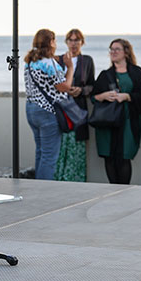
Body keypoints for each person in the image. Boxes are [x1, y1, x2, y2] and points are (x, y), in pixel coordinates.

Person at [92, 39, 141, 185]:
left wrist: (127, 96)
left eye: (117, 49)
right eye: (111, 49)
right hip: (108, 122)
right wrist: (104, 96)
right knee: (109, 157)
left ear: (126, 52)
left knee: (125, 157)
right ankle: (112, 191)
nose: (113, 52)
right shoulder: (105, 75)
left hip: (129, 120)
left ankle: (123, 191)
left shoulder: (137, 72)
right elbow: (93, 97)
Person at [23, 29, 74, 181]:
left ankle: (38, 186)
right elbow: (64, 86)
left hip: (31, 108)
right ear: (50, 42)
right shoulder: (49, 63)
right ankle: (43, 190)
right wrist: (70, 67)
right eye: (55, 41)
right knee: (49, 156)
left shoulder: (30, 62)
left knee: (40, 151)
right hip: (47, 111)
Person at [54, 29, 94, 182]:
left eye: (77, 40)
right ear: (66, 42)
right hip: (61, 111)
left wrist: (81, 90)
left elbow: (92, 85)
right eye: (71, 40)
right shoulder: (58, 60)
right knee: (60, 146)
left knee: (77, 147)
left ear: (82, 42)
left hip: (78, 111)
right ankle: (60, 179)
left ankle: (76, 180)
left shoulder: (87, 61)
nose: (74, 43)